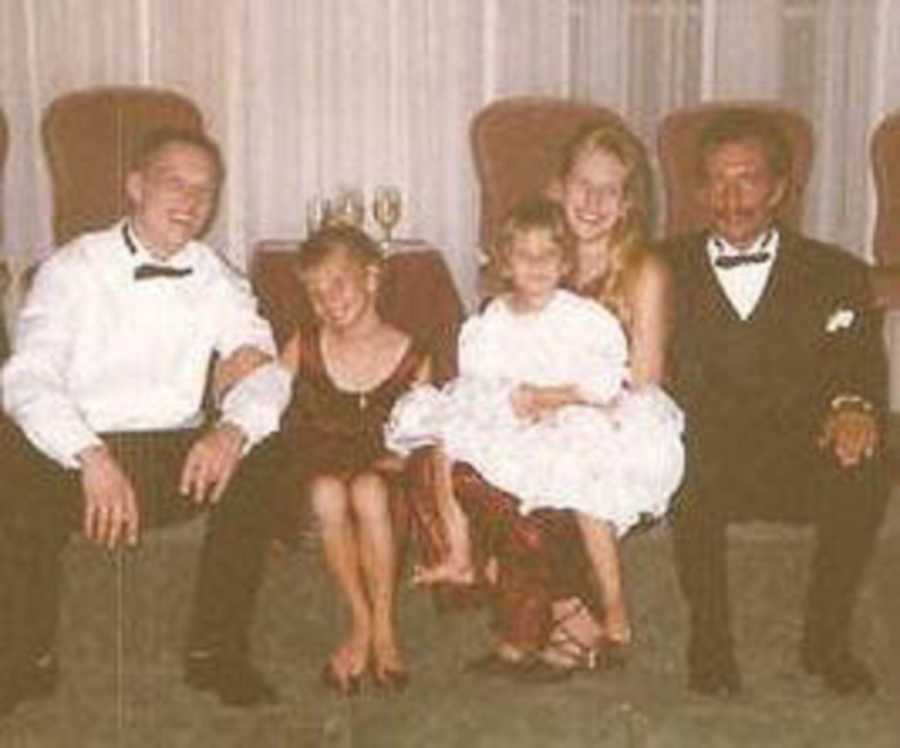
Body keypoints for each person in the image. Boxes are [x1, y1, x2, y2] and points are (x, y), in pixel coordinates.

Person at [0, 128, 292, 717]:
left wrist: (230, 431)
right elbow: (27, 376)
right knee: (9, 444)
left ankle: (216, 651)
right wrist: (88, 454)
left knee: (266, 447)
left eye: (205, 191)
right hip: (78, 456)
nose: (191, 200)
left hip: (174, 456)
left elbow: (266, 370)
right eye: (175, 182)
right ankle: (22, 656)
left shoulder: (217, 277)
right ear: (135, 186)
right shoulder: (73, 268)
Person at [388, 194, 683, 676]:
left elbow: (605, 383)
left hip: (573, 418)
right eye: (526, 255)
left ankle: (614, 611)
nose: (539, 265)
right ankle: (460, 556)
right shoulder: (491, 323)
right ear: (504, 264)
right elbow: (481, 384)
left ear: (566, 262)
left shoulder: (582, 318)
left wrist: (551, 398)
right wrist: (510, 404)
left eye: (550, 255)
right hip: (515, 420)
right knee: (446, 440)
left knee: (587, 490)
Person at [663, 109, 889, 697]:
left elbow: (859, 357)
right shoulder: (662, 268)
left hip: (797, 452)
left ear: (781, 188)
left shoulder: (834, 271)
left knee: (867, 462)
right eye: (715, 179)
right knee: (686, 465)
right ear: (696, 188)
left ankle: (826, 640)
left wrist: (853, 405)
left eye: (748, 178)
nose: (730, 196)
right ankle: (709, 644)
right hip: (705, 456)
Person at [278, 225, 430, 696]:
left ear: (371, 277)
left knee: (366, 489)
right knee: (327, 491)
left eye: (338, 283)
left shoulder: (412, 354)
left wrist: (397, 462)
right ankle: (361, 622)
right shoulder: (303, 345)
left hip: (383, 474)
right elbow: (265, 408)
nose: (328, 300)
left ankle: (383, 623)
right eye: (316, 293)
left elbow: (419, 435)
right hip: (316, 468)